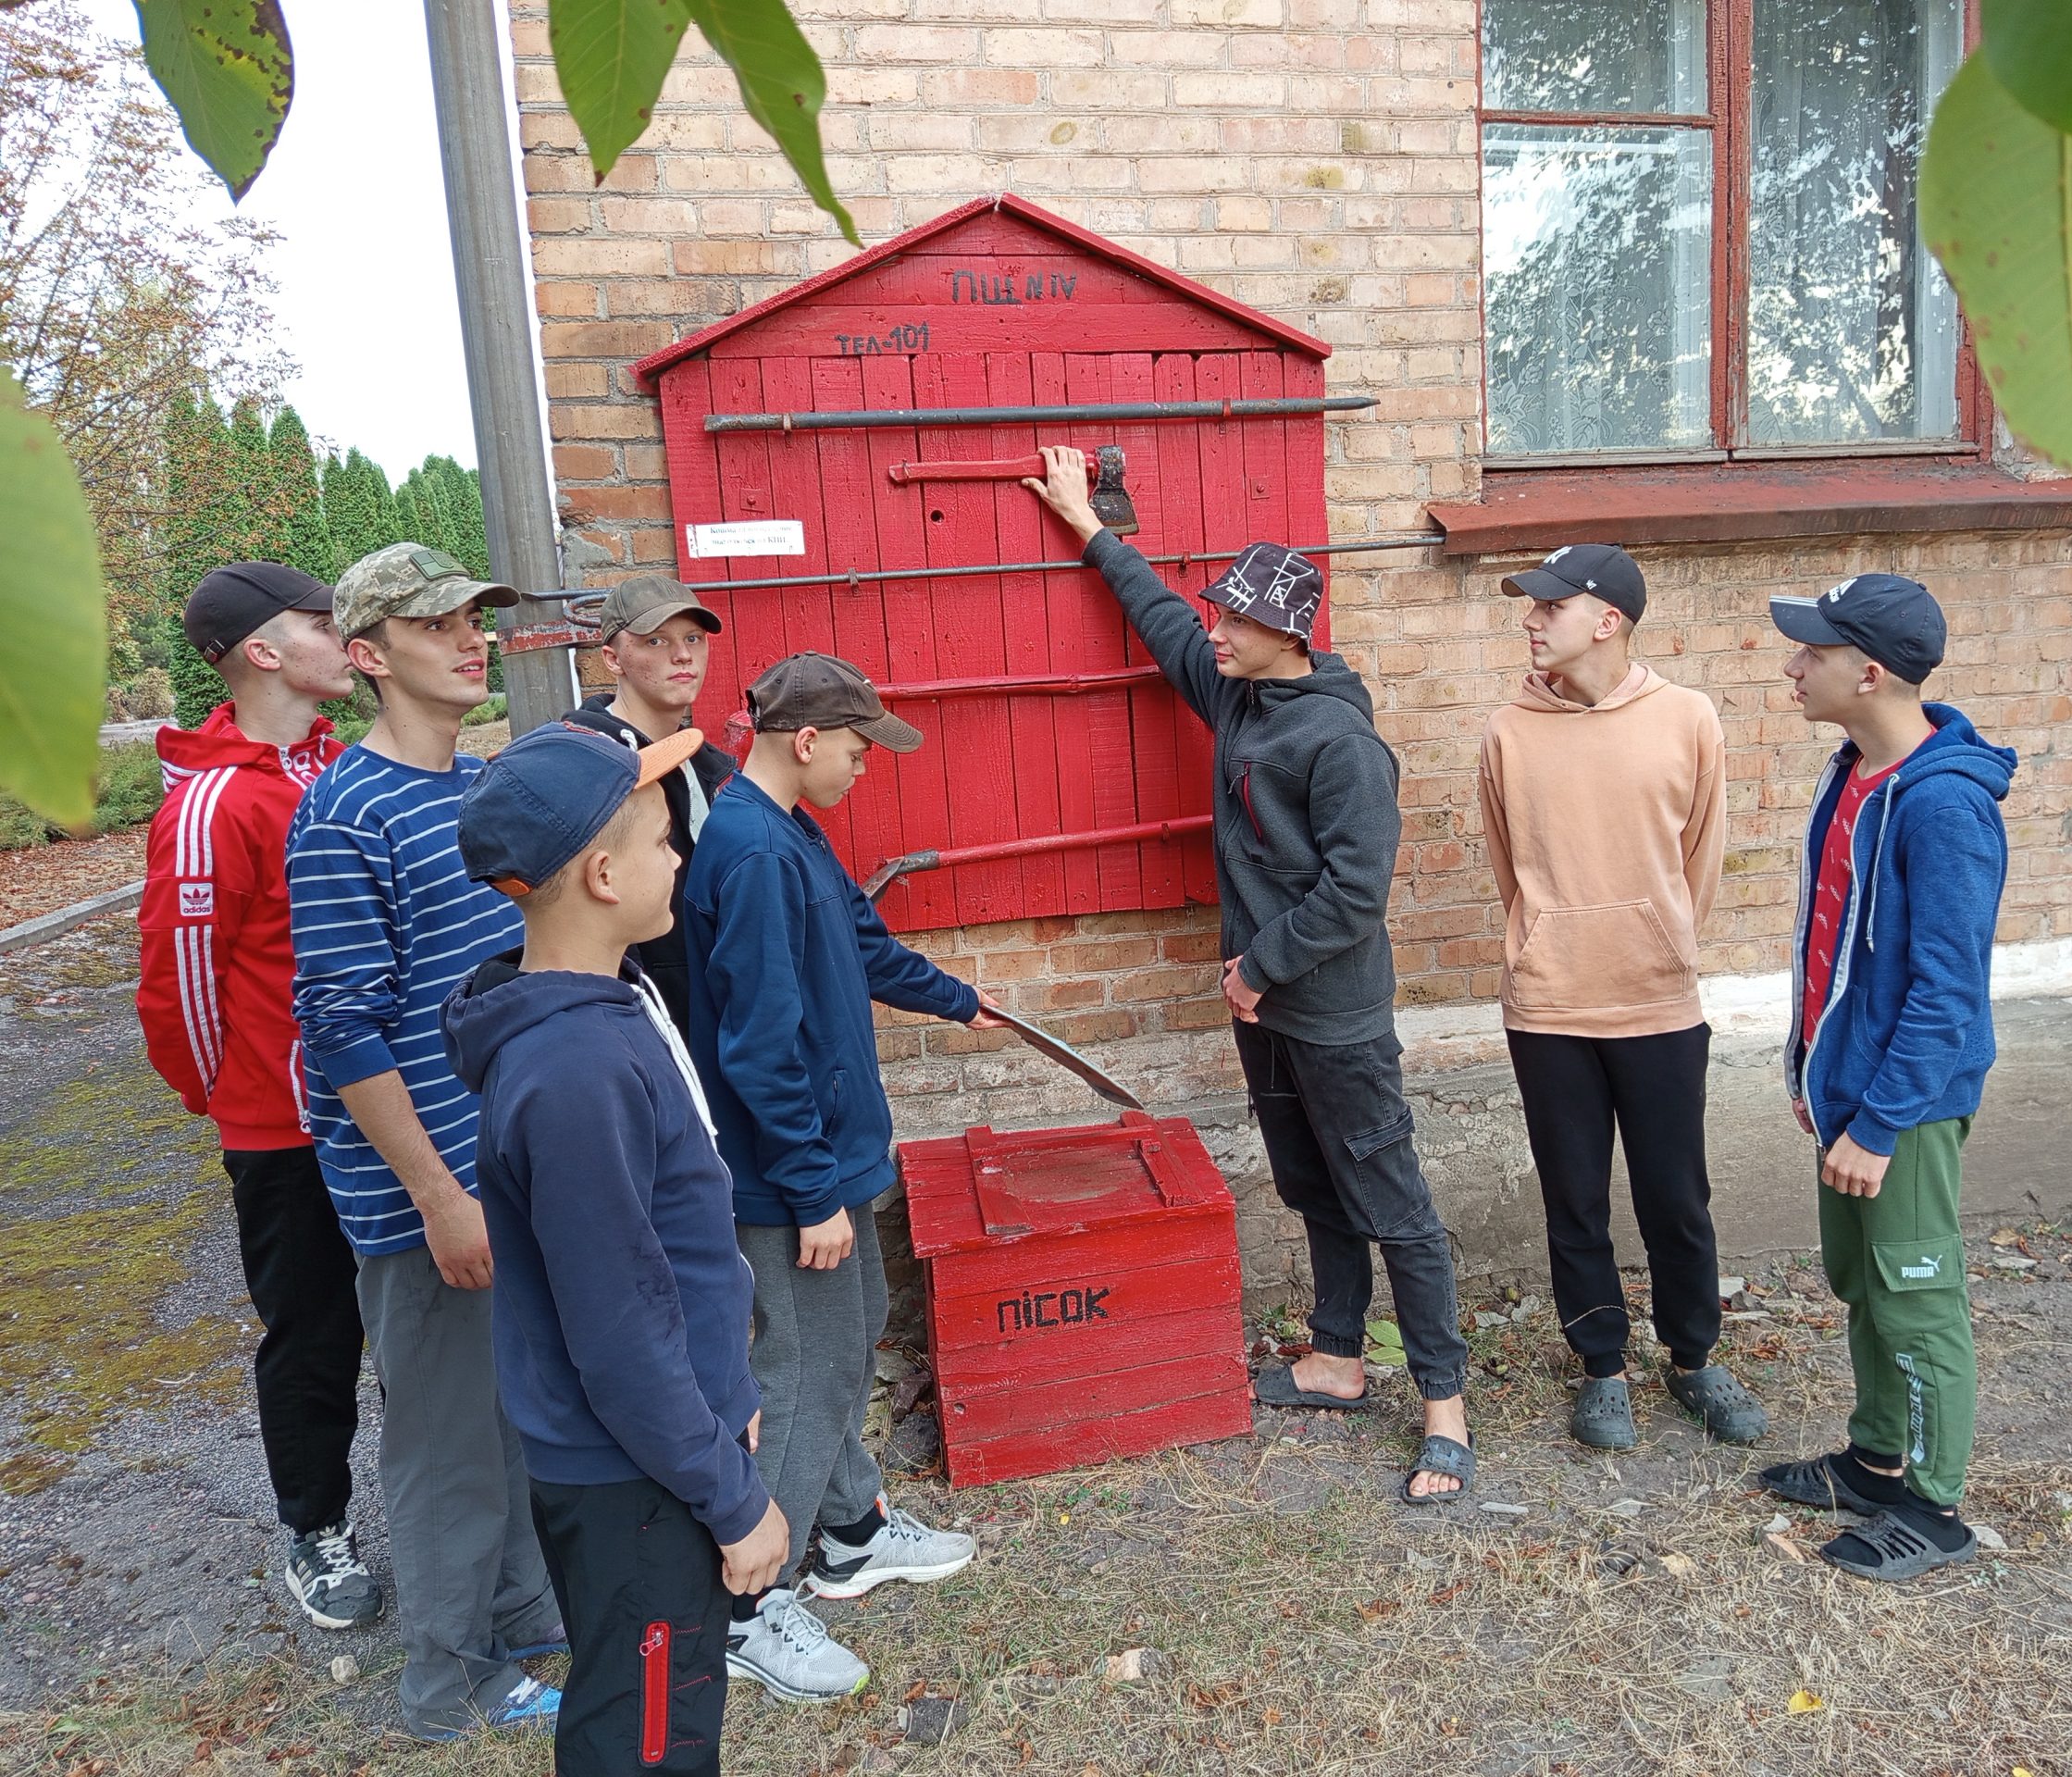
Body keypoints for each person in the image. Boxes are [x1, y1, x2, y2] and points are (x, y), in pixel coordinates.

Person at [1025, 445, 1475, 1506]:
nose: (1213, 627)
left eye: (1232, 616)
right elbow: (1162, 622)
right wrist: (1089, 527)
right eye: (1219, 613)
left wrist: (1259, 969)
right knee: (1312, 1183)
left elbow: (1358, 894)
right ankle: (1334, 1358)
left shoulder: (1338, 743)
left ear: (1285, 633)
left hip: (1329, 1014)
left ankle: (1445, 1407)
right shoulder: (1238, 694)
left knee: (1390, 1200)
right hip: (1262, 1006)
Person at [442, 721, 791, 1775]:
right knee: (643, 1732)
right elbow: (620, 1327)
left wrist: (727, 1398)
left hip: (662, 1449)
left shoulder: (608, 1008)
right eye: (659, 841)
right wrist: (730, 1497)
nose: (680, 856)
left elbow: (671, 1260)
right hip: (634, 1479)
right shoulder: (574, 1071)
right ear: (602, 876)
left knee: (669, 1700)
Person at [287, 543, 565, 1738]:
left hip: (500, 1165)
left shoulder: (473, 787)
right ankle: (446, 1683)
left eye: (476, 618)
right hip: (426, 1193)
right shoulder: (343, 811)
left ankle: (520, 1618)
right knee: (447, 1436)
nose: (472, 637)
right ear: (366, 655)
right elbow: (341, 1031)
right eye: (437, 621)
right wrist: (439, 1195)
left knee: (509, 1408)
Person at [682, 652, 991, 1701]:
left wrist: (956, 997)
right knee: (801, 1368)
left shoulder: (794, 834)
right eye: (859, 749)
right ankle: (744, 1599)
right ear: (804, 740)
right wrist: (812, 1190)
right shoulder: (751, 853)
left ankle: (850, 1530)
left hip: (832, 1155)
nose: (868, 767)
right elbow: (760, 1049)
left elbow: (861, 946)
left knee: (851, 1334)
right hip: (786, 1178)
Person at [135, 562, 383, 1631]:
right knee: (314, 1330)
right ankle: (315, 1527)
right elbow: (179, 987)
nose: (346, 636)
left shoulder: (337, 767)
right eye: (323, 622)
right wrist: (236, 1101)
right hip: (285, 1128)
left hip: (384, 1106)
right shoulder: (213, 805)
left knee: (420, 1316)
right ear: (264, 652)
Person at [1755, 573, 2016, 1583]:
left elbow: (1946, 992)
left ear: (1867, 672)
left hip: (1902, 1108)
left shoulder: (1944, 808)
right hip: (1853, 1096)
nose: (1792, 668)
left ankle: (1934, 1504)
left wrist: (1880, 1122)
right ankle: (1874, 1461)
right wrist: (1813, 1074)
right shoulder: (1852, 772)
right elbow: (1831, 947)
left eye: (1809, 655)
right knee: (1863, 1284)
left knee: (1915, 1295)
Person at [1481, 544, 1768, 1452]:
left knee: (1675, 1194)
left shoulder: (1687, 719)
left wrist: (1663, 941)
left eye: (1547, 606)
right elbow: (1508, 871)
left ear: (1605, 619)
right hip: (1549, 1008)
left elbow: (1700, 858)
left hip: (1657, 1003)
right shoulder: (1507, 734)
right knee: (1575, 1199)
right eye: (1528, 606)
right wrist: (1544, 941)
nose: (1530, 620)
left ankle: (1693, 1358)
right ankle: (1601, 1365)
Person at [564, 574, 738, 1036]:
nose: (682, 655)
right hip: (641, 1020)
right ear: (612, 658)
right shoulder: (588, 765)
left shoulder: (708, 763)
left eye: (693, 638)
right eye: (656, 640)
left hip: (715, 1013)